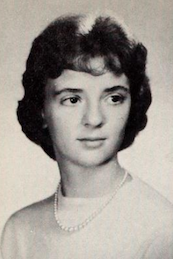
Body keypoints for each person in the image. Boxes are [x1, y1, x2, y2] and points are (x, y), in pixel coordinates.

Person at [1, 12, 173, 259]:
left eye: (114, 98)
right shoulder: (18, 231)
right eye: (72, 99)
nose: (94, 119)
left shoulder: (161, 229)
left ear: (132, 104)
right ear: (41, 109)